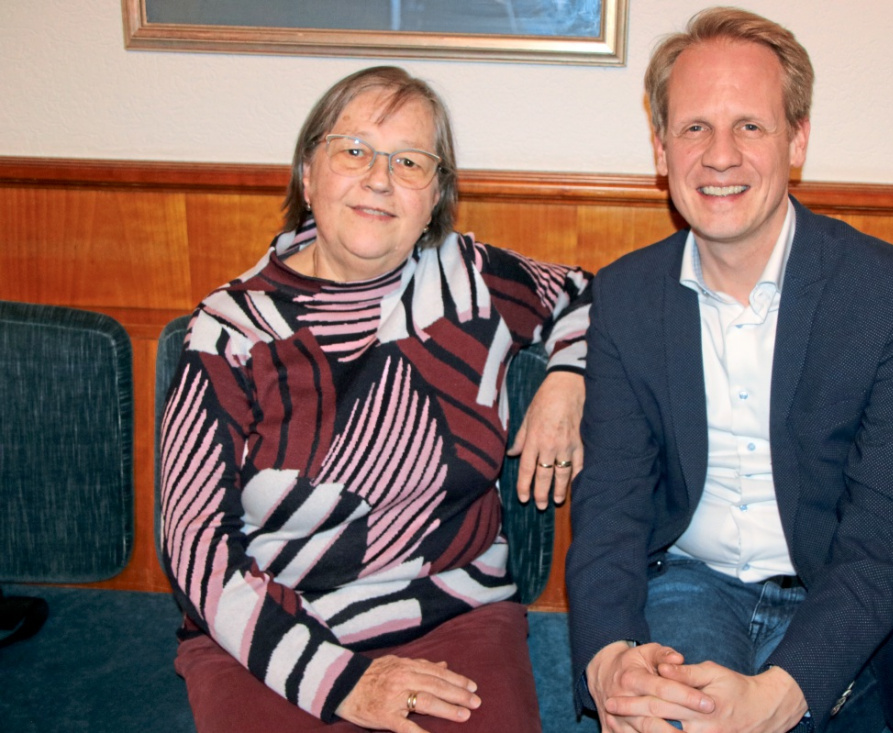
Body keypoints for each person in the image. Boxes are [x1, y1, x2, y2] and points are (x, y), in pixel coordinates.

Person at [565, 7, 893, 733]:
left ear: (798, 139)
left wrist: (781, 694)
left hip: (849, 598)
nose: (719, 156)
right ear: (661, 148)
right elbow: (611, 502)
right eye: (694, 127)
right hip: (692, 585)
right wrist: (607, 659)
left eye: (750, 126)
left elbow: (887, 531)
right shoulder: (627, 296)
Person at [159, 65, 590, 733]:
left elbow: (590, 296)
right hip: (268, 630)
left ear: (436, 197)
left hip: (453, 613)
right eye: (354, 150)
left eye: (410, 161)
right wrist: (342, 681)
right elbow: (192, 540)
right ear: (308, 175)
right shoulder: (231, 329)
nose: (380, 178)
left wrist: (567, 382)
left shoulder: (470, 279)